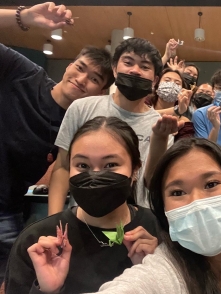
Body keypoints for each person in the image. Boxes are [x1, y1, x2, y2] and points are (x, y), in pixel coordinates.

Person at [27, 138, 221, 294]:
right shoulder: (161, 273)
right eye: (178, 192)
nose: (198, 201)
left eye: (211, 184)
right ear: (163, 209)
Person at [0, 2, 114, 284]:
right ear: (70, 64)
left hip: (7, 211)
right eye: (80, 67)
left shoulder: (79, 126)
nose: (81, 78)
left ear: (100, 91)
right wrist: (22, 17)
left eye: (94, 78)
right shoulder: (23, 72)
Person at [5, 116, 159, 294]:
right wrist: (46, 290)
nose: (94, 176)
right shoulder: (38, 242)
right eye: (82, 165)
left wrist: (153, 274)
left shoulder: (158, 231)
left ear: (134, 169)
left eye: (110, 165)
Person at [48, 37, 169, 214]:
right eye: (128, 62)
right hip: (82, 218)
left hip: (135, 225)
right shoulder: (82, 108)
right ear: (114, 69)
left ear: (155, 79)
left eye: (144, 67)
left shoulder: (160, 126)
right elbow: (63, 167)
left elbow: (152, 183)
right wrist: (55, 220)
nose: (135, 71)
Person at [145, 68, 195, 141]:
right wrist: (177, 110)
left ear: (181, 90)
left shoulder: (183, 122)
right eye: (167, 80)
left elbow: (184, 147)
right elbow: (142, 114)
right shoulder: (145, 101)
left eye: (177, 83)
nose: (172, 84)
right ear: (157, 85)